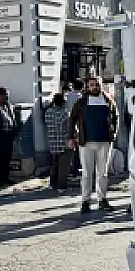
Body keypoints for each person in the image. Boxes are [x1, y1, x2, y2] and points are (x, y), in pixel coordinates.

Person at [68, 77, 119, 213]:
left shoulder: (108, 100)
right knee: (86, 173)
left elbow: (116, 117)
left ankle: (102, 199)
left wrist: (113, 134)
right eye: (92, 85)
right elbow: (72, 119)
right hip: (86, 142)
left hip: (104, 141)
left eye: (97, 84)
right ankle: (85, 201)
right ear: (87, 86)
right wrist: (71, 137)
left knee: (103, 173)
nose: (95, 87)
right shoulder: (81, 102)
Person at [43, 92, 71, 192]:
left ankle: (53, 184)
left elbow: (47, 124)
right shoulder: (65, 113)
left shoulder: (48, 112)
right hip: (63, 142)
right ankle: (61, 186)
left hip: (52, 141)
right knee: (63, 166)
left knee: (54, 164)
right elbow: (67, 128)